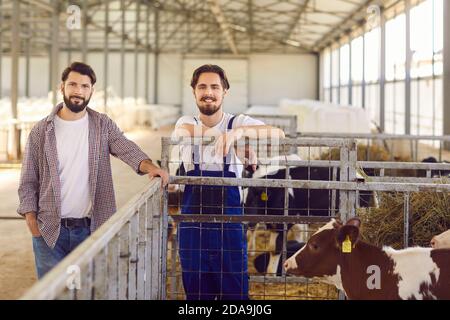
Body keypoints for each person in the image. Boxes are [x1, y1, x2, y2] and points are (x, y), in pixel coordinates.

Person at [17, 62, 169, 279]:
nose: (78, 91)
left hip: (90, 230)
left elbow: (126, 148)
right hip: (49, 230)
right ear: (62, 87)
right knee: (53, 292)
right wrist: (31, 220)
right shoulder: (41, 130)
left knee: (87, 290)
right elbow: (28, 179)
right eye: (73, 85)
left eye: (85, 86)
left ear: (92, 91)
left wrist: (151, 167)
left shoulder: (102, 125)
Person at [172, 64, 285, 300]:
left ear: (225, 91)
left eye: (215, 86)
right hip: (194, 229)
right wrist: (231, 141)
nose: (208, 92)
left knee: (234, 292)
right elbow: (186, 133)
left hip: (229, 229)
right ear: (193, 91)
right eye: (202, 87)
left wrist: (238, 134)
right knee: (197, 293)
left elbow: (278, 134)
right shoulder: (186, 122)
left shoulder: (237, 123)